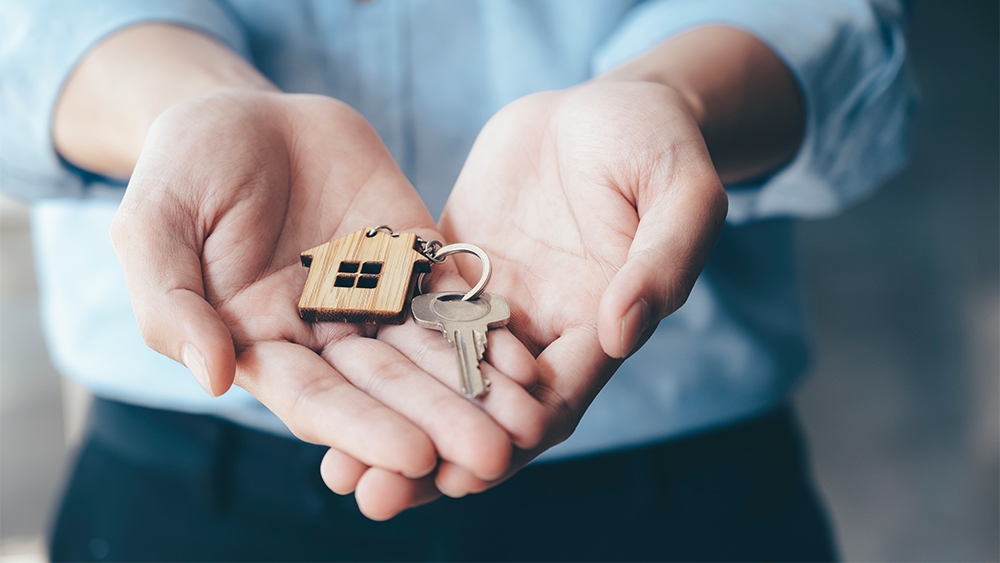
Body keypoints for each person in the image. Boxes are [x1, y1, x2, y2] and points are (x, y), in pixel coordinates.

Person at [1, 0, 913, 560]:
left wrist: (678, 95)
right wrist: (180, 104)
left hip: (677, 467)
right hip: (193, 471)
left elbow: (838, 22)